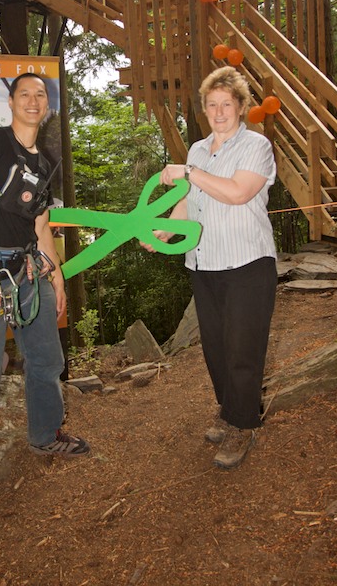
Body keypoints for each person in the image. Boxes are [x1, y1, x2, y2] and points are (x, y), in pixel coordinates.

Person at [0, 73, 90, 532]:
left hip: (29, 270)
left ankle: (45, 436)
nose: (33, 101)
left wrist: (58, 275)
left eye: (40, 96)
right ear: (11, 101)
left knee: (47, 360)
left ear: (47, 107)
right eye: (25, 94)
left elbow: (41, 227)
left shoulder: (46, 161)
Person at [143, 65, 277, 470]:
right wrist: (164, 233)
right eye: (212, 105)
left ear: (240, 107)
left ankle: (243, 424)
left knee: (243, 347)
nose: (219, 112)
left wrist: (189, 173)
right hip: (203, 262)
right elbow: (188, 202)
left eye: (227, 104)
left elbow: (236, 193)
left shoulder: (257, 146)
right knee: (217, 348)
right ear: (204, 108)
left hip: (247, 261)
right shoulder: (198, 151)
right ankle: (229, 409)